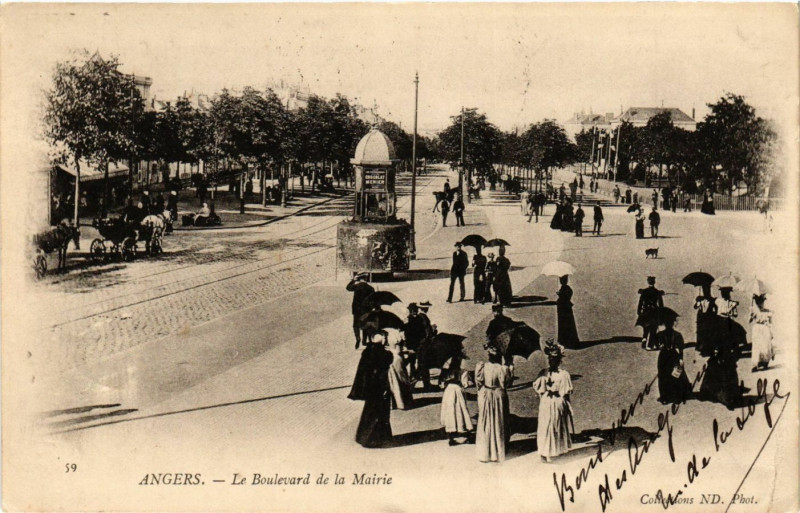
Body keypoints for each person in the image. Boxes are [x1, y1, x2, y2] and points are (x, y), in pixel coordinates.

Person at [348, 333, 394, 448]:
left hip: (369, 388)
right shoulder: (383, 354)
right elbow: (386, 365)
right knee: (381, 413)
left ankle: (363, 437)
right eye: (384, 338)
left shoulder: (367, 352)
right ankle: (377, 438)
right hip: (379, 387)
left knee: (369, 412)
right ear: (381, 341)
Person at [534, 340, 574, 462]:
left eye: (555, 359)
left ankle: (555, 450)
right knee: (545, 426)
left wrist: (568, 406)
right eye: (551, 358)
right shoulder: (543, 373)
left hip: (557, 402)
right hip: (546, 402)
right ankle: (544, 451)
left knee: (555, 425)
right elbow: (538, 388)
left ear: (560, 360)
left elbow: (566, 392)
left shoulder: (564, 374)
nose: (552, 361)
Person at [475, 344, 513, 462]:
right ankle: (497, 450)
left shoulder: (483, 366)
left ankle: (487, 451)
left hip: (487, 394)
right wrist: (510, 366)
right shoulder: (502, 368)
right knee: (498, 420)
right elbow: (506, 384)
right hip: (498, 395)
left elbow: (479, 382)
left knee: (487, 421)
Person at [656, 314, 693, 404]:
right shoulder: (677, 335)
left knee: (663, 375)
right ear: (673, 323)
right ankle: (678, 395)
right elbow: (681, 349)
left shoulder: (660, 334)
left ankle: (665, 396)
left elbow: (657, 345)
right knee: (676, 374)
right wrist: (681, 359)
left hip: (664, 356)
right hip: (673, 356)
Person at [440, 361, 474, 446]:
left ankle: (451, 436)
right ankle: (468, 432)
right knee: (462, 410)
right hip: (458, 390)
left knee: (449, 411)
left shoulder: (445, 371)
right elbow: (465, 384)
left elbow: (441, 384)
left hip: (448, 391)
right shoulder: (463, 371)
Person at [404, 303, 433, 389]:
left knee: (414, 363)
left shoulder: (412, 319)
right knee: (421, 364)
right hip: (417, 345)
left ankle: (414, 381)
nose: (414, 312)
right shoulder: (416, 319)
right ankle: (417, 382)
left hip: (414, 345)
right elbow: (421, 332)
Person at [386, 330, 414, 410]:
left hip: (389, 359)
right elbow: (398, 351)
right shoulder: (396, 334)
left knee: (392, 381)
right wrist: (408, 351)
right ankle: (404, 402)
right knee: (401, 380)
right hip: (397, 359)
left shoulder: (384, 334)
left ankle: (393, 403)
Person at [346, 273, 375, 349]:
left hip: (356, 309)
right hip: (366, 309)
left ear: (360, 279)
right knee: (365, 324)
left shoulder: (357, 287)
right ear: (366, 279)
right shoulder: (371, 288)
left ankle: (358, 338)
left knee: (356, 325)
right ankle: (364, 341)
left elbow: (348, 288)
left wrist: (353, 280)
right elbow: (373, 300)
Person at [638, 276, 664, 350]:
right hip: (654, 311)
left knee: (646, 326)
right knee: (653, 328)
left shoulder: (644, 291)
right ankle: (650, 345)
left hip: (646, 311)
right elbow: (661, 304)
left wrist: (639, 311)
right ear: (654, 282)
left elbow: (640, 302)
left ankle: (644, 339)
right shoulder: (657, 292)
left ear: (648, 282)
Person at [749, 294, 773, 372]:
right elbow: (749, 321)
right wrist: (751, 313)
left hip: (765, 328)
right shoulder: (754, 311)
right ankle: (755, 364)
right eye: (758, 302)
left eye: (761, 301)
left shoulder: (768, 311)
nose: (760, 303)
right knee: (757, 346)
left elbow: (771, 323)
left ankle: (765, 362)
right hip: (757, 328)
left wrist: (771, 332)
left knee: (765, 345)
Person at [693, 285, 717, 356]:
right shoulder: (700, 299)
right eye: (704, 290)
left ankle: (708, 348)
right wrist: (698, 301)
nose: (706, 291)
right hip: (701, 318)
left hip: (709, 318)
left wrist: (714, 315)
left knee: (709, 332)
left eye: (707, 290)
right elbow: (695, 307)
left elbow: (715, 308)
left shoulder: (712, 299)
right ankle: (702, 347)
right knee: (701, 332)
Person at [556, 275, 580, 348]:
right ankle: (569, 340)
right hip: (565, 308)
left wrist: (560, 294)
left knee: (564, 323)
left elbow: (565, 297)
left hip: (563, 308)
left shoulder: (565, 288)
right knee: (568, 323)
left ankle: (565, 340)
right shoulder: (566, 288)